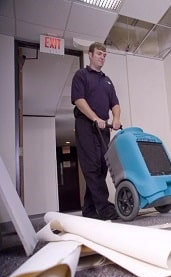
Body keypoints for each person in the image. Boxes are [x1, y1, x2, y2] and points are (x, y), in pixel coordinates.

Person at [71, 42, 121, 220]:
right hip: (86, 125)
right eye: (99, 54)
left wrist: (115, 118)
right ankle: (104, 207)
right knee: (91, 166)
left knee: (101, 167)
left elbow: (115, 103)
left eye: (104, 55)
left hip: (103, 128)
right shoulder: (81, 75)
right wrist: (94, 118)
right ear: (90, 55)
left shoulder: (107, 81)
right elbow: (78, 100)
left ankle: (89, 210)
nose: (102, 57)